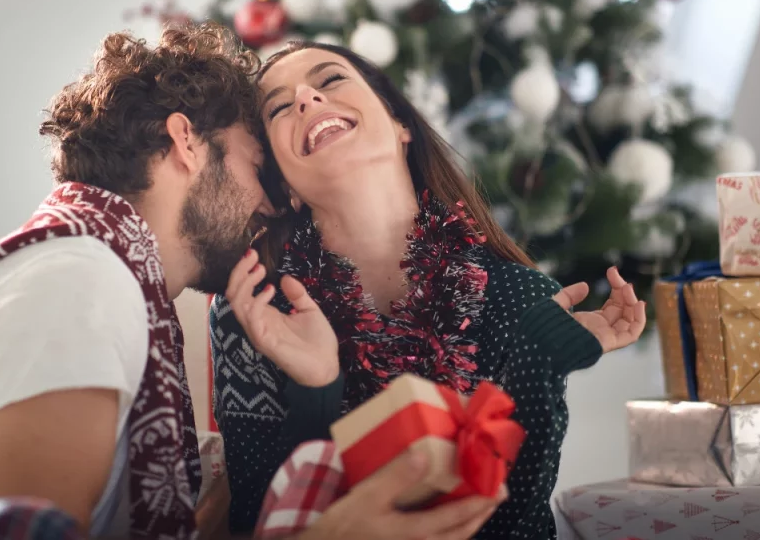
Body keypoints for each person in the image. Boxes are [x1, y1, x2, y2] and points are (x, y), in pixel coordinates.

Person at [0, 24, 506, 540]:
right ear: (186, 142)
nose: (270, 205)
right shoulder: (79, 284)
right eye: (255, 167)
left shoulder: (90, 275)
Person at [210, 41, 647, 539]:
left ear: (400, 126)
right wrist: (316, 388)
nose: (307, 97)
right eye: (280, 107)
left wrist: (539, 360)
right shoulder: (256, 309)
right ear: (284, 182)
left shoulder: (519, 299)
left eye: (330, 80)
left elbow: (514, 526)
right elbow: (256, 523)